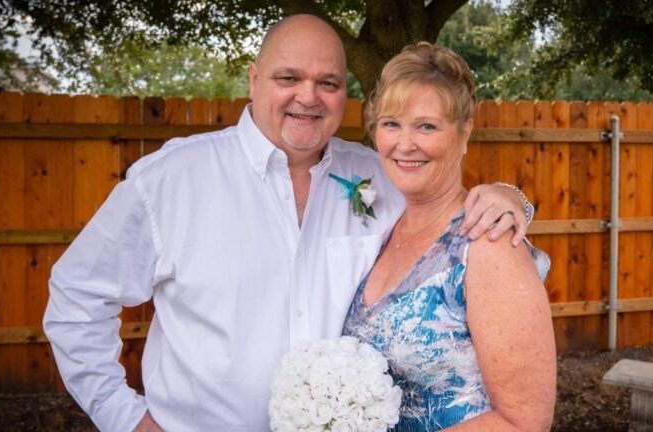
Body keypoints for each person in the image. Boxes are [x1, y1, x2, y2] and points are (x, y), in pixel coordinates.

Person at [43, 15, 534, 432]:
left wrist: (512, 198)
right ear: (254, 79)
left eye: (328, 83)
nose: (309, 96)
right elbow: (77, 296)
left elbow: (448, 223)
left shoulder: (377, 175)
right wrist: (126, 419)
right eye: (288, 78)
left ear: (345, 93)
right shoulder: (171, 180)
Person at [342, 42, 556, 431]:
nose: (405, 144)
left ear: (464, 132)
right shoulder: (382, 227)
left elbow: (525, 422)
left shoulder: (488, 243)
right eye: (391, 123)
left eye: (427, 126)